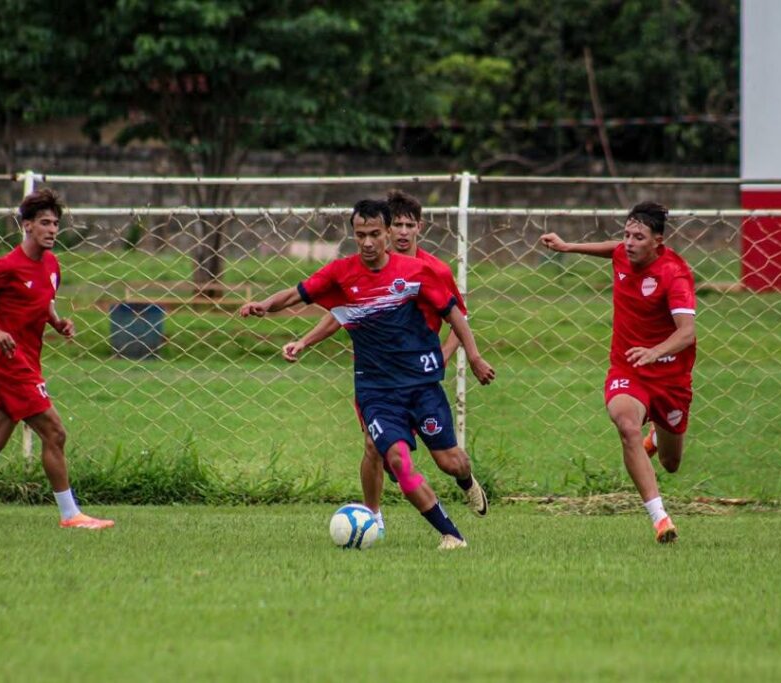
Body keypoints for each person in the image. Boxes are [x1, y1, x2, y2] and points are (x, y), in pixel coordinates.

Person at [241, 199, 495, 549]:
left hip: (422, 387)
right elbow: (300, 293)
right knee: (395, 458)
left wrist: (476, 356)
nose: (368, 242)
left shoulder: (420, 272)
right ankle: (451, 534)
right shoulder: (341, 273)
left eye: (375, 234)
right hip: (377, 391)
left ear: (387, 233)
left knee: (451, 462)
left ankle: (465, 481)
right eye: (360, 235)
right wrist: (265, 306)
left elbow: (455, 315)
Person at [540, 201, 696, 544]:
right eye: (626, 234)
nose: (628, 243)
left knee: (671, 463)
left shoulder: (675, 273)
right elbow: (612, 249)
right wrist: (568, 247)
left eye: (638, 237)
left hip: (671, 377)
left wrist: (655, 352)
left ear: (658, 241)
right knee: (626, 425)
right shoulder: (623, 254)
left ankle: (657, 435)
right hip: (629, 368)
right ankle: (660, 518)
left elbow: (687, 333)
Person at [0, 188, 114, 530]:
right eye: (45, 223)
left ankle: (70, 514)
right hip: (8, 359)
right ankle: (70, 515)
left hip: (29, 359)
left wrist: (56, 322)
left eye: (56, 223)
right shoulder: (5, 266)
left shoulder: (52, 264)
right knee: (55, 432)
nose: (52, 230)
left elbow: (43, 300)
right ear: (27, 225)